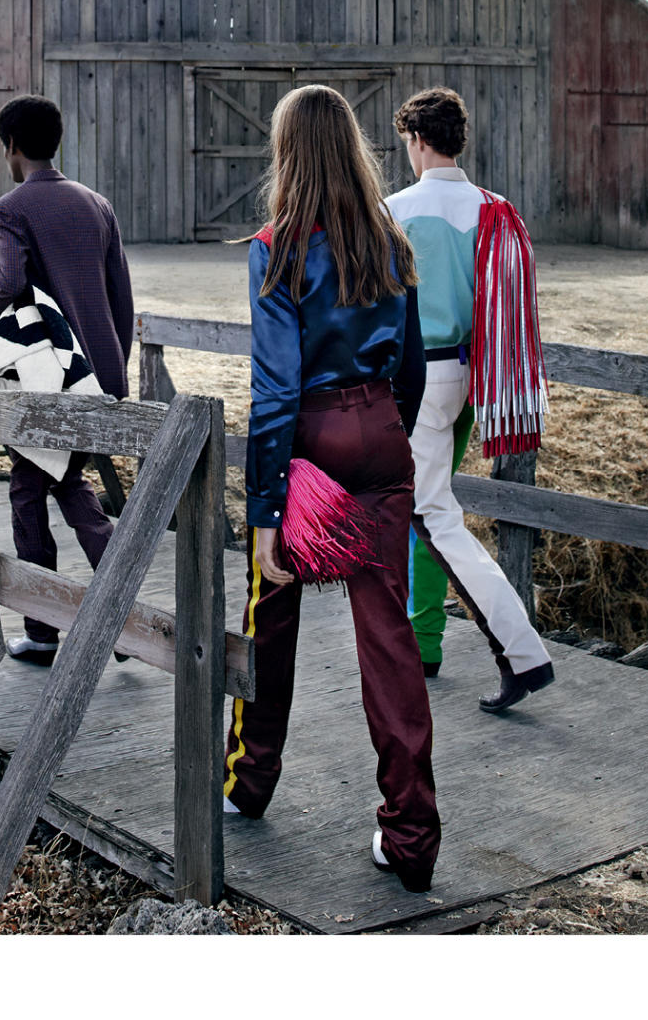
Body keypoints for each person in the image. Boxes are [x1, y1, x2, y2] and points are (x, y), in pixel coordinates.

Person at [228, 83, 439, 893]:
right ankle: (411, 834)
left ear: (287, 153)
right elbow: (413, 371)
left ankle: (249, 781)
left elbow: (274, 388)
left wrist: (265, 510)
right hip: (381, 436)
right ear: (352, 147)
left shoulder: (275, 247)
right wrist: (383, 431)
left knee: (270, 610)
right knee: (389, 639)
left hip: (307, 445)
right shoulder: (390, 239)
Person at [383, 86, 557, 710]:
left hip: (415, 382)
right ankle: (422, 640)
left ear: (418, 141)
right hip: (471, 377)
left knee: (433, 517)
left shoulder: (393, 212)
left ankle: (522, 651)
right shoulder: (496, 210)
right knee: (427, 510)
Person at [0, 94, 136, 666]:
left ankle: (46, 631)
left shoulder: (10, 208)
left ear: (11, 146)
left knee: (30, 490)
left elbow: (9, 280)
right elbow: (121, 298)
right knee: (67, 485)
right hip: (99, 374)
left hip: (46, 378)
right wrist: (114, 376)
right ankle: (118, 622)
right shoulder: (97, 204)